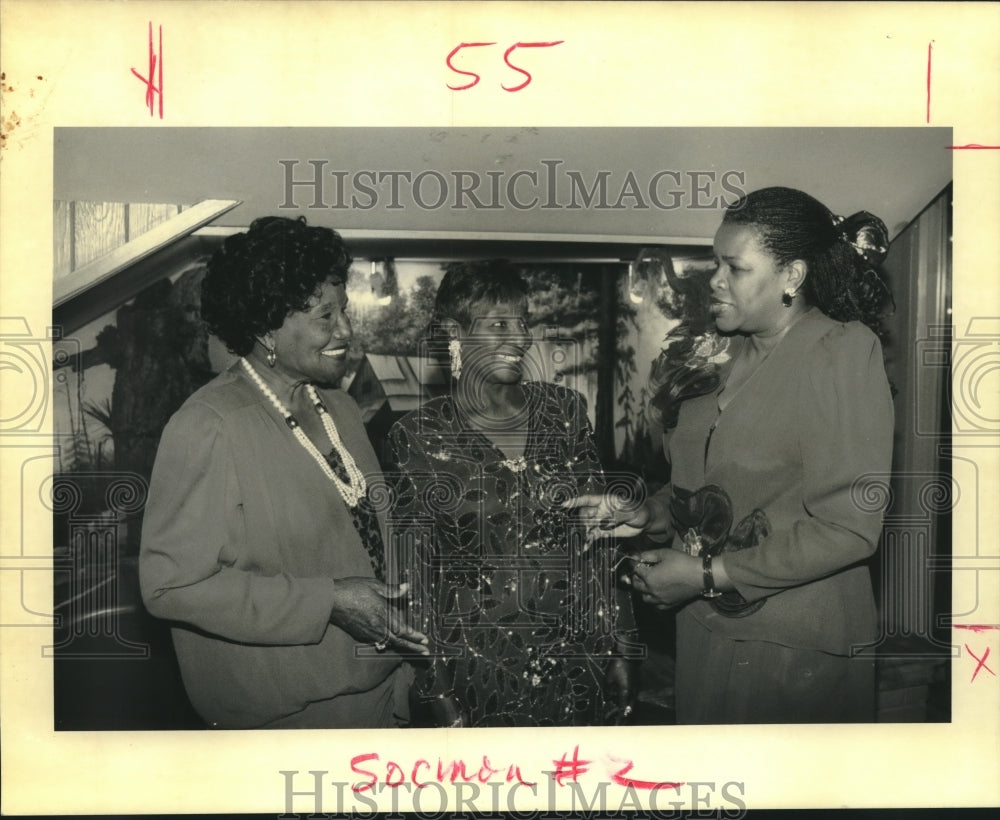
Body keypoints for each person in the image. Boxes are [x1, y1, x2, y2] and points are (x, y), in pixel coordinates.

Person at [568, 187, 895, 723]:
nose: (714, 281)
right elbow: (706, 488)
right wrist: (647, 513)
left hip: (793, 650)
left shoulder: (841, 352)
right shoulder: (719, 353)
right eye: (715, 262)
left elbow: (850, 528)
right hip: (703, 632)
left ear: (791, 275)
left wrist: (702, 574)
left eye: (734, 267)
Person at [139, 216, 427, 729]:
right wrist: (328, 601)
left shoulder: (337, 406)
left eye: (344, 311)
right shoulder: (209, 426)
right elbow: (169, 587)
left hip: (386, 695)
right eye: (325, 316)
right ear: (268, 326)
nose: (346, 330)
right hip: (290, 724)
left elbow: (367, 537)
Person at [386, 262, 636, 727]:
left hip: (578, 657)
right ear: (453, 333)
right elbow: (414, 577)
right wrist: (438, 692)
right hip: (479, 667)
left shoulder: (563, 411)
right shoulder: (417, 435)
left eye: (523, 323)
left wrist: (621, 643)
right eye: (500, 324)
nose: (521, 339)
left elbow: (602, 539)